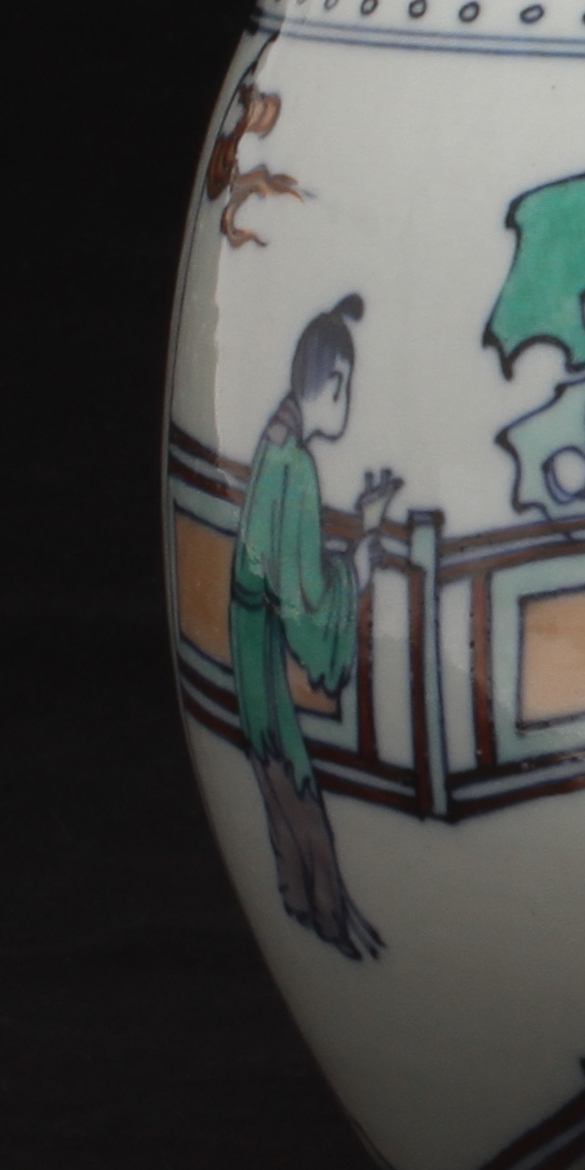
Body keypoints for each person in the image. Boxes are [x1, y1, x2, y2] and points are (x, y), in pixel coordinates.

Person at [231, 295, 400, 960]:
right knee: (292, 775)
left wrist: (356, 541)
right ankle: (324, 910)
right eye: (347, 387)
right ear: (333, 383)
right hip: (265, 649)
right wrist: (360, 559)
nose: (346, 401)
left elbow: (285, 562)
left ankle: (312, 903)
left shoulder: (277, 443)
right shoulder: (293, 466)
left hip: (251, 640)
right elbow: (304, 606)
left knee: (282, 773)